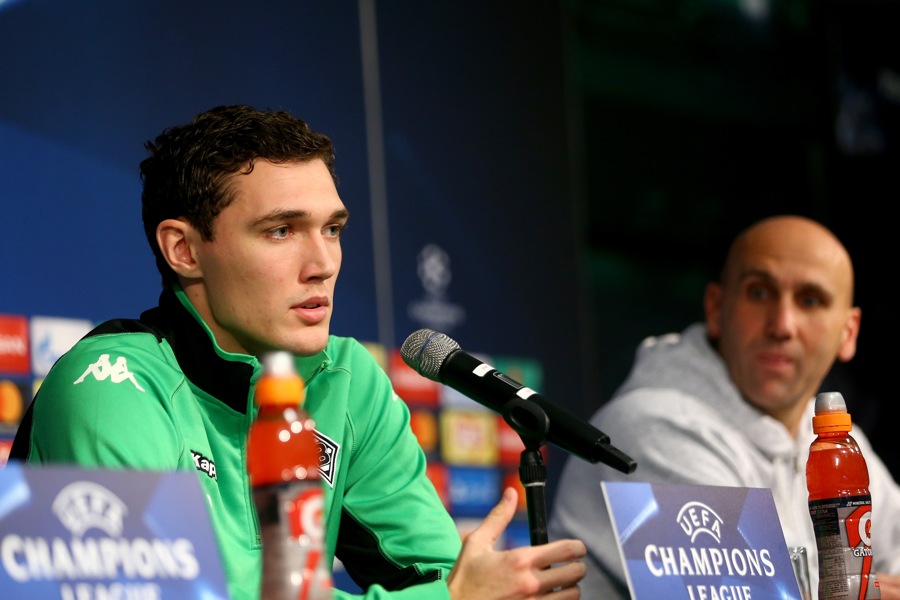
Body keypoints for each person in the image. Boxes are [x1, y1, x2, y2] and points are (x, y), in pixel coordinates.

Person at [10, 104, 587, 600]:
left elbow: (439, 571)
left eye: (332, 229)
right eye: (281, 231)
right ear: (184, 250)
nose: (324, 264)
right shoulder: (110, 387)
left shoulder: (348, 378)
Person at [548, 215, 900, 599]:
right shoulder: (655, 429)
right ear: (716, 308)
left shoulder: (836, 444)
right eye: (759, 293)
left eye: (810, 300)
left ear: (848, 333)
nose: (782, 325)